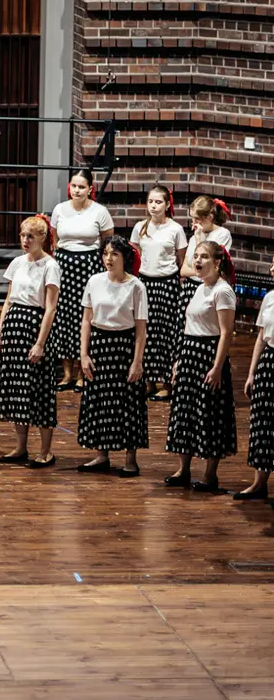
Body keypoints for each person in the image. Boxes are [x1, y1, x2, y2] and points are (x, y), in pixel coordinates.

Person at [166, 240, 238, 494]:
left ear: (217, 262)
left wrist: (217, 367)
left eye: (204, 256)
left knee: (210, 413)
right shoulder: (199, 288)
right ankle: (183, 469)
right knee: (185, 411)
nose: (197, 260)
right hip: (190, 353)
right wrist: (179, 360)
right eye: (196, 256)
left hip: (208, 355)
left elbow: (226, 333)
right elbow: (189, 326)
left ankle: (210, 475)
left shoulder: (223, 291)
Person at [0, 216, 61, 469]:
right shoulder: (17, 263)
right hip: (14, 327)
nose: (25, 240)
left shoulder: (50, 265)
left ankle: (45, 451)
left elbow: (50, 308)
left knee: (39, 390)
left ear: (42, 237)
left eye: (30, 236)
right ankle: (21, 447)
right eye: (23, 235)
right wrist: (0, 334)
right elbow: (8, 300)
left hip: (34, 326)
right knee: (17, 389)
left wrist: (40, 343)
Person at [76, 237, 149, 476]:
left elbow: (141, 329)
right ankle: (101, 454)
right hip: (100, 345)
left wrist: (137, 361)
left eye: (114, 254)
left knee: (128, 402)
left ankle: (130, 459)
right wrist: (84, 354)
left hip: (124, 346)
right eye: (106, 253)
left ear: (124, 258)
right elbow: (86, 320)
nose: (108, 259)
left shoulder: (136, 286)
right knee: (99, 400)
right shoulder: (94, 281)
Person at [48, 170, 115, 390]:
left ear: (90, 189)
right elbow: (55, 238)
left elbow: (108, 242)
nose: (76, 190)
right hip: (64, 267)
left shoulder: (100, 211)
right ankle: (67, 373)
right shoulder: (60, 209)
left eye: (81, 187)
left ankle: (81, 372)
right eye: (74, 186)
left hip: (89, 267)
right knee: (64, 317)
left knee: (84, 317)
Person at [130, 185, 188, 402]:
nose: (153, 206)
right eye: (151, 201)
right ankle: (148, 381)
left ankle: (166, 382)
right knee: (146, 331)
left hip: (167, 284)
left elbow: (181, 260)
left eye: (158, 202)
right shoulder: (140, 227)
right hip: (145, 282)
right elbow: (135, 257)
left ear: (167, 204)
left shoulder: (175, 229)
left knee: (165, 333)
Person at [239, 260, 274, 501]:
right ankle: (259, 483)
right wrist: (252, 373)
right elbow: (261, 336)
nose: (272, 269)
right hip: (269, 361)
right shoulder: (270, 297)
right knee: (262, 423)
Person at [179, 195, 233, 329]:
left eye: (197, 219)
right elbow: (183, 270)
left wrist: (199, 239)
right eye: (192, 218)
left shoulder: (222, 234)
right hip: (190, 288)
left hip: (210, 288)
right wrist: (198, 271)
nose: (193, 223)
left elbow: (211, 266)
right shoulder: (193, 238)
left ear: (209, 217)